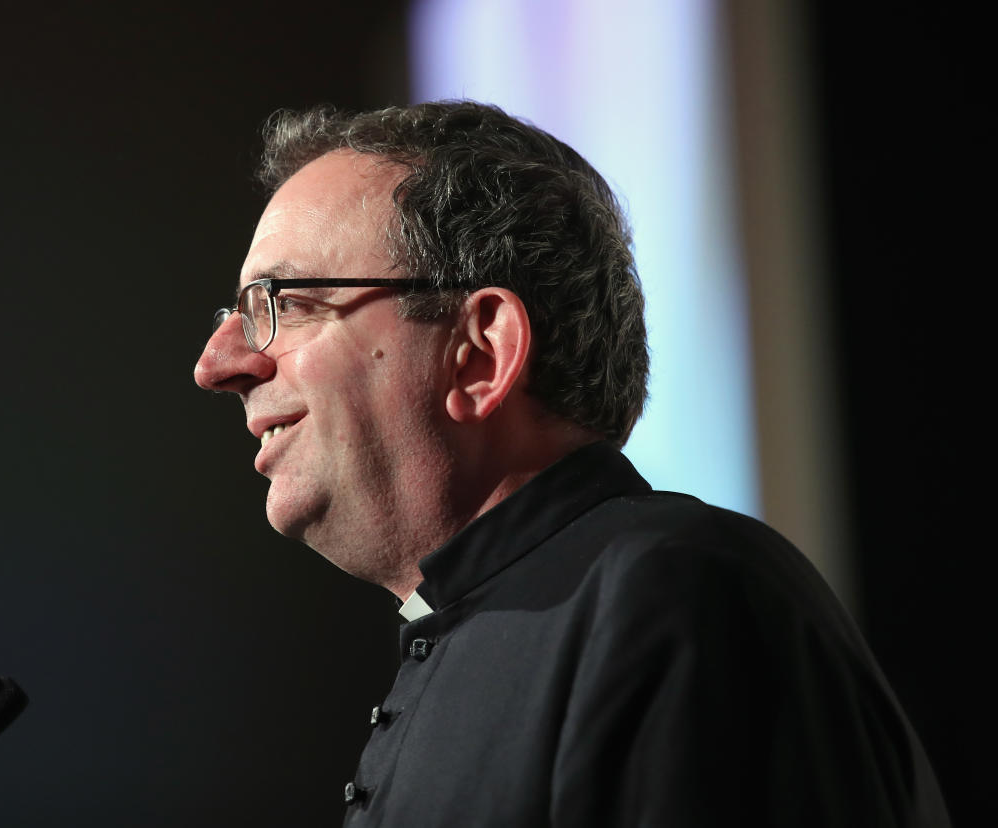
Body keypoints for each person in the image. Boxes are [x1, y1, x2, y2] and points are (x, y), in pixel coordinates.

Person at [193, 101, 950, 827]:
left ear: (481, 353)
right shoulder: (487, 621)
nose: (217, 364)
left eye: (281, 303)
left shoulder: (675, 594)